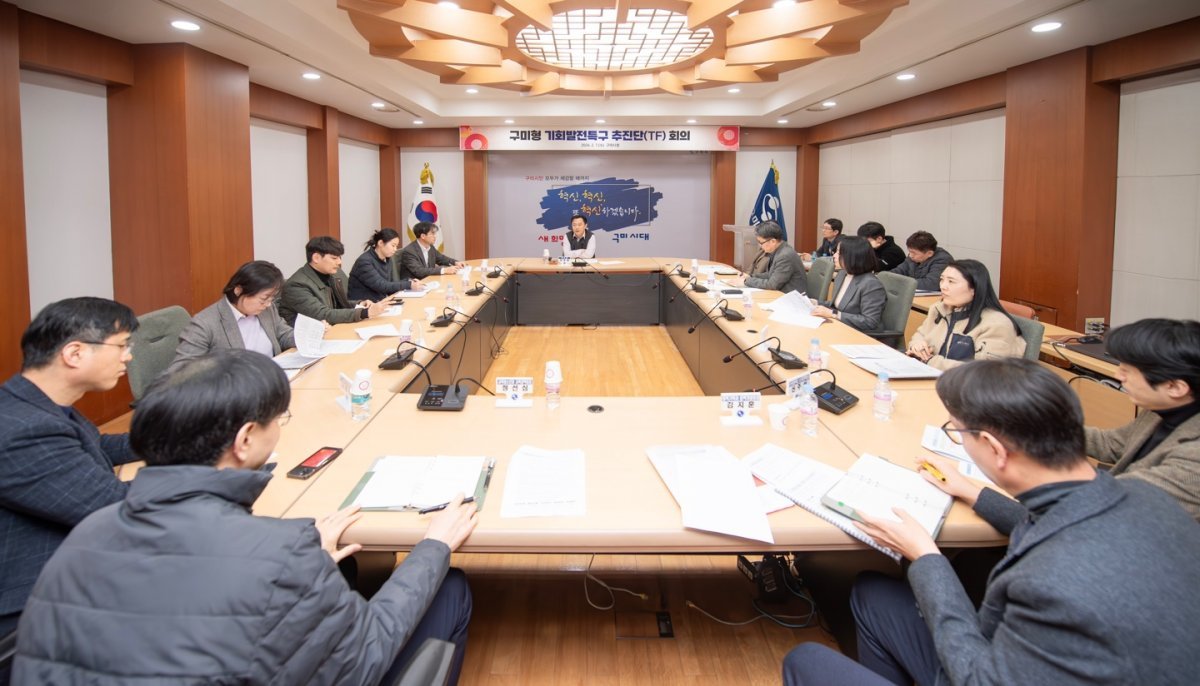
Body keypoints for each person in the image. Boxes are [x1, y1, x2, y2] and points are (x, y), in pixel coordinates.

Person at [14, 349, 478, 685]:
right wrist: (433, 545)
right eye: (279, 419)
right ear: (245, 439)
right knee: (450, 585)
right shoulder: (280, 554)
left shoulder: (87, 532)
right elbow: (366, 655)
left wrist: (296, 557)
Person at [782, 358, 1200, 686]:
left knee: (805, 660)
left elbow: (978, 677)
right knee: (871, 592)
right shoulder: (1147, 497)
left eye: (959, 432)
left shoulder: (1050, 586)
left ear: (995, 449)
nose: (959, 439)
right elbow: (1052, 521)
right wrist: (971, 491)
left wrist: (927, 558)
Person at [0, 298, 140, 640]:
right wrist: (215, 473)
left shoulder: (31, 403)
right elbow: (118, 507)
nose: (128, 357)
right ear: (74, 353)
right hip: (31, 608)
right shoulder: (25, 430)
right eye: (122, 346)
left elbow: (95, 445)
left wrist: (183, 437)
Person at [1085, 318, 1200, 520]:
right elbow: (1112, 443)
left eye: (1127, 371)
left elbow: (1122, 501)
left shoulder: (1194, 457)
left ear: (1175, 387)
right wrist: (1039, 429)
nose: (1117, 375)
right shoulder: (1163, 409)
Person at [167, 260, 295, 375]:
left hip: (273, 377)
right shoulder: (204, 323)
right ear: (238, 290)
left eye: (271, 298)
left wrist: (305, 338)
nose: (268, 304)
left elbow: (283, 334)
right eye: (263, 299)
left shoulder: (266, 310)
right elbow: (180, 370)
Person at [907, 259, 1024, 370]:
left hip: (966, 383)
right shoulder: (939, 309)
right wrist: (917, 346)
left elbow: (984, 371)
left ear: (974, 288)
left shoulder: (997, 324)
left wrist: (930, 361)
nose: (943, 286)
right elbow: (920, 334)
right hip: (933, 374)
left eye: (951, 281)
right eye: (942, 280)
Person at [279, 235, 391, 326]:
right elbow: (323, 314)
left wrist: (360, 304)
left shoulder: (332, 274)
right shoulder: (296, 286)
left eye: (339, 257)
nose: (339, 262)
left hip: (332, 330)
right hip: (307, 340)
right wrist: (364, 312)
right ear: (316, 258)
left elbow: (340, 304)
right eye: (334, 258)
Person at [811, 236, 886, 332]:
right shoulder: (842, 274)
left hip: (860, 334)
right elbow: (839, 305)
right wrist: (815, 302)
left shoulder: (871, 285)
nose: (834, 256)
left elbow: (869, 322)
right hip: (840, 327)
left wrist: (833, 314)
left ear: (852, 257)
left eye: (839, 253)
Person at [348, 228, 423, 301]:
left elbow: (390, 283)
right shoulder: (364, 262)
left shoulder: (387, 259)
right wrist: (409, 284)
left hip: (381, 301)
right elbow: (381, 286)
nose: (395, 249)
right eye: (393, 245)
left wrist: (409, 280)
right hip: (365, 305)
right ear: (380, 243)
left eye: (396, 246)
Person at [737, 221, 807, 294]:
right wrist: (750, 276)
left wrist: (746, 281)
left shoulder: (784, 255)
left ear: (773, 241)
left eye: (761, 243)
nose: (760, 246)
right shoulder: (779, 250)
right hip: (781, 294)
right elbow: (771, 274)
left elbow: (772, 284)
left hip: (791, 297)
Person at [399, 222, 465, 280]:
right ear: (423, 236)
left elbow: (441, 258)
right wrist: (444, 270)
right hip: (414, 284)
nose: (435, 236)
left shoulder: (430, 247)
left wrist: (455, 262)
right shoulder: (409, 251)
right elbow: (419, 271)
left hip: (428, 280)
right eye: (432, 234)